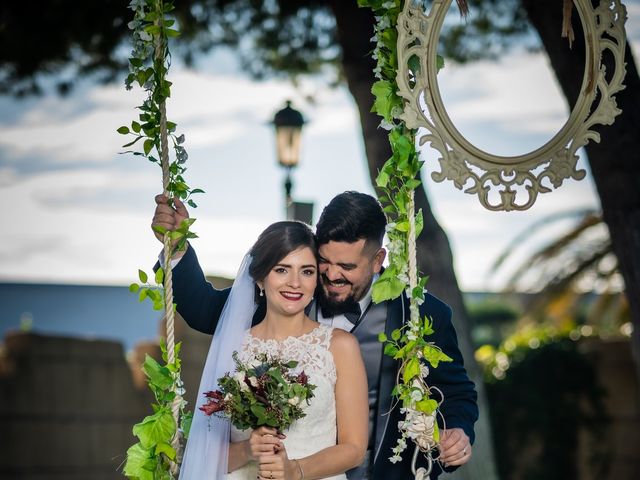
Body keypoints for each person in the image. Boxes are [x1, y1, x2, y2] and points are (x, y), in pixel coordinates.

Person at [153, 191, 478, 479]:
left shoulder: (419, 315)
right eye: (324, 262)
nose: (333, 275)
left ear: (378, 260)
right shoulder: (286, 295)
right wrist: (178, 245)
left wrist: (458, 433)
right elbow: (204, 309)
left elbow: (457, 391)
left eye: (347, 267)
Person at [179, 221, 368, 479]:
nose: (295, 283)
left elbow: (354, 449)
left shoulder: (339, 346)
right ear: (260, 277)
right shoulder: (233, 347)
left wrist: (296, 470)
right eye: (282, 269)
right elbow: (205, 453)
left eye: (307, 271)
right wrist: (248, 449)